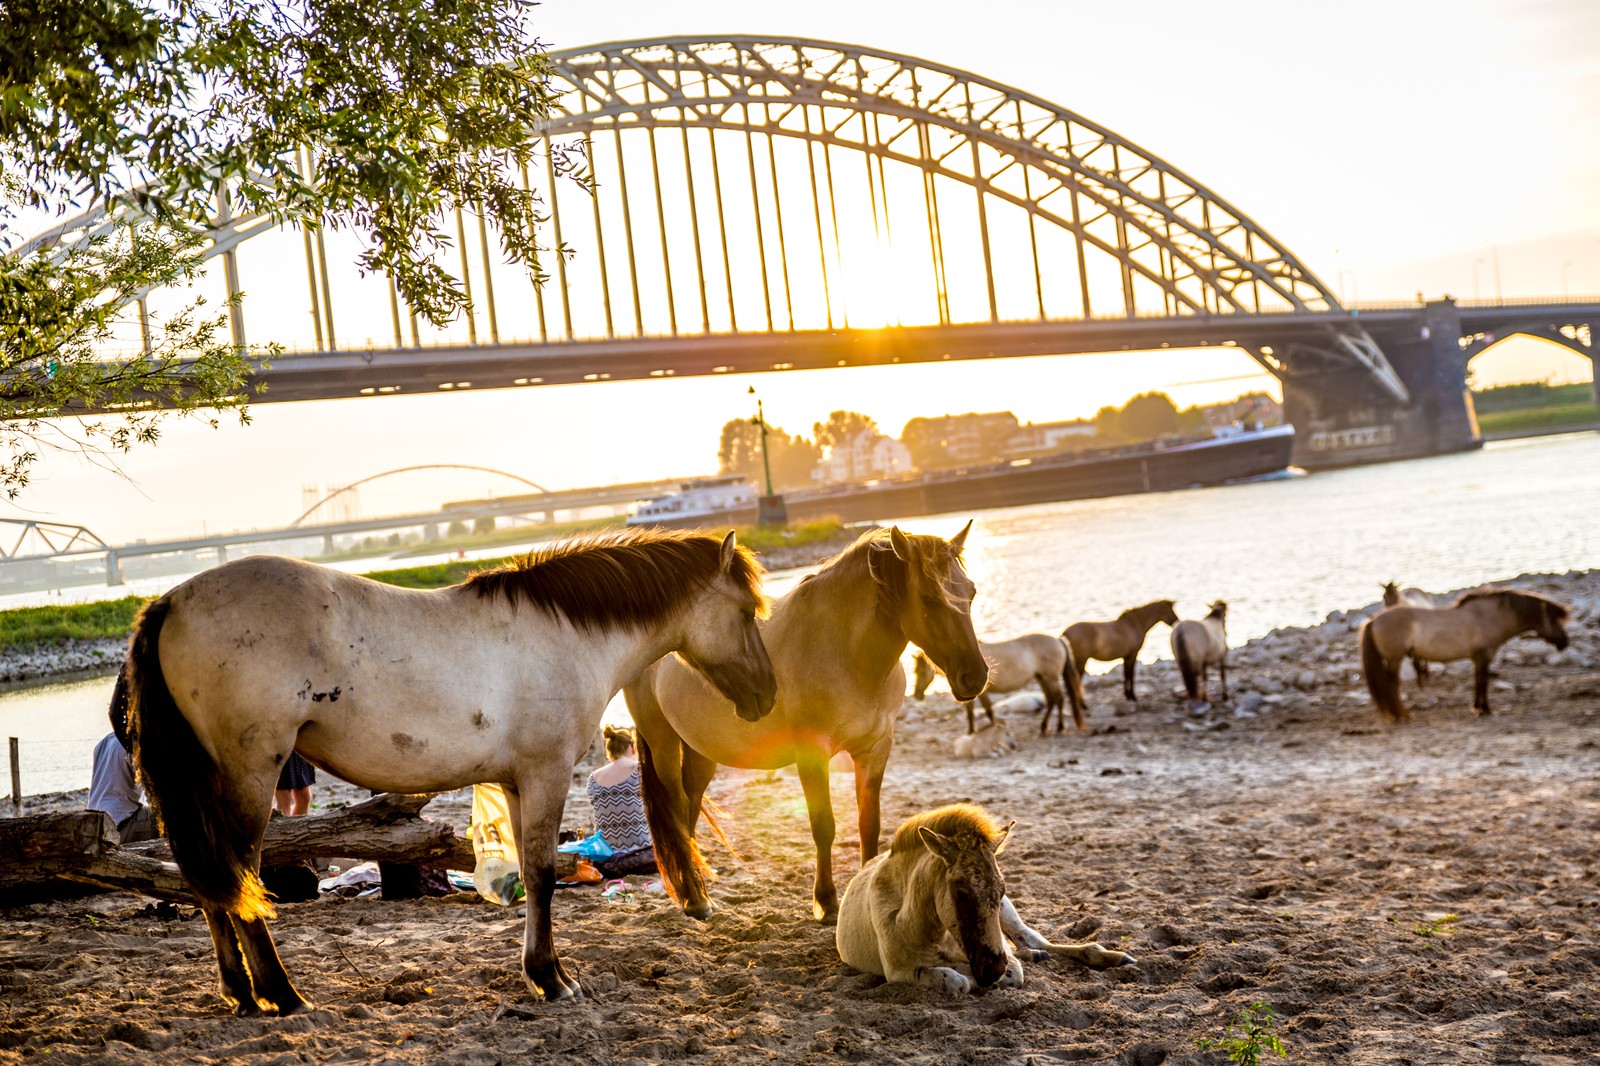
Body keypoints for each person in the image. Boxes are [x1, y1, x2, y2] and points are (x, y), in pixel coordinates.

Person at [87, 668, 157, 844]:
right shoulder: (133, 746)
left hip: (96, 826)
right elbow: (152, 790)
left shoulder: (103, 743)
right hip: (120, 828)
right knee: (170, 818)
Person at [587, 724, 656, 877]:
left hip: (606, 856)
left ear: (609, 751)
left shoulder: (593, 778)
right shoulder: (639, 769)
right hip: (641, 854)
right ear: (632, 747)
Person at [275, 751, 315, 815]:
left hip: (299, 747)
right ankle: (285, 825)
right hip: (279, 746)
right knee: (285, 799)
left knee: (304, 798)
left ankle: (298, 825)